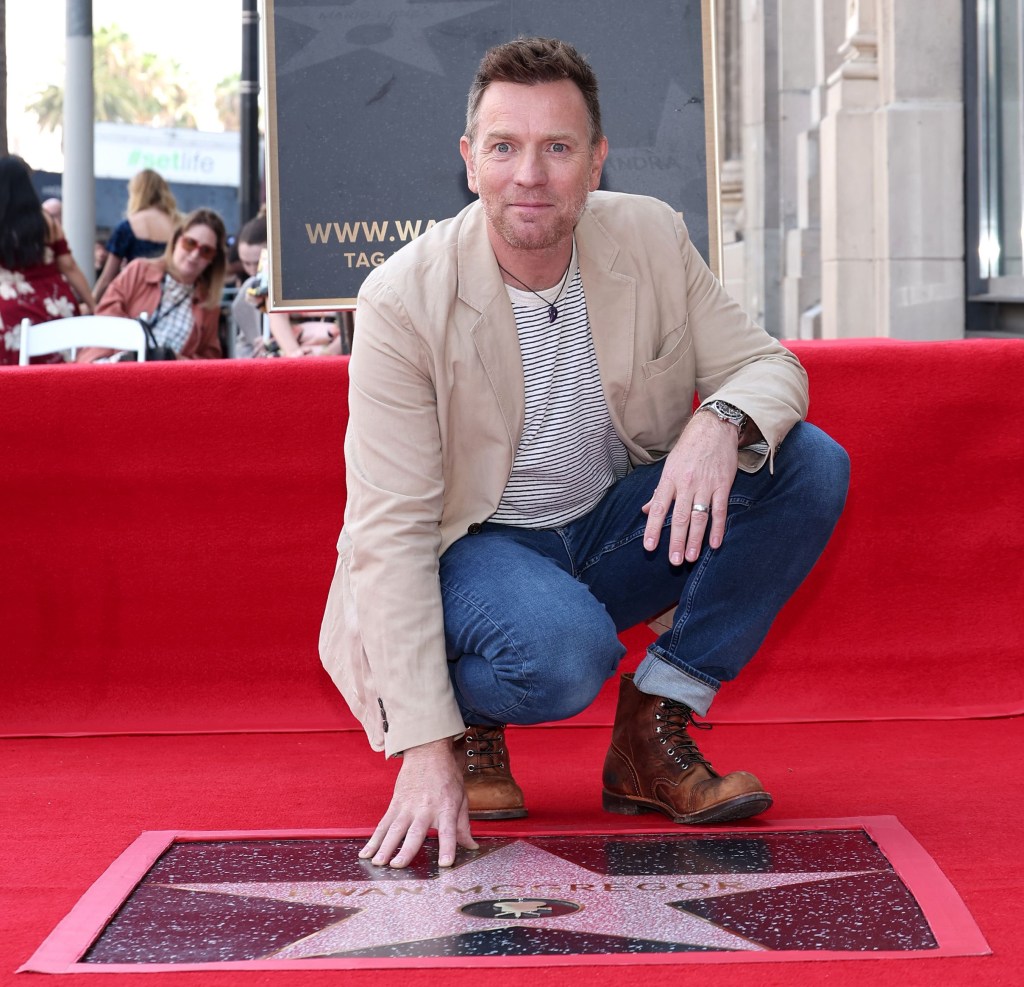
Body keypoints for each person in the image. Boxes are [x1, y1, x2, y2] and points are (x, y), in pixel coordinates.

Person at [319, 37, 850, 870]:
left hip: (603, 527)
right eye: (504, 146)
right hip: (468, 550)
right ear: (469, 161)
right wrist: (423, 744)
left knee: (806, 464)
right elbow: (389, 533)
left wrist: (718, 420)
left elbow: (768, 366)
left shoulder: (649, 237)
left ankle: (654, 723)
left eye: (557, 147)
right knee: (564, 655)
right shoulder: (400, 301)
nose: (529, 173)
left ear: (596, 162)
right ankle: (468, 723)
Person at [77, 207, 227, 362]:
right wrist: (134, 353)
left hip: (168, 380)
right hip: (114, 366)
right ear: (176, 240)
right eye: (190, 243)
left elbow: (209, 360)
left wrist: (175, 359)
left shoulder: (209, 304)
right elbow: (106, 318)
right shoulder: (139, 270)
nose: (195, 254)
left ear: (213, 260)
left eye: (206, 251)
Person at [0, 156, 96, 365]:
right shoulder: (47, 222)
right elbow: (69, 266)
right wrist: (93, 304)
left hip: (8, 311)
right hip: (54, 306)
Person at [93, 169, 178, 302]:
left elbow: (107, 278)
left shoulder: (127, 226)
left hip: (136, 297)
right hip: (171, 297)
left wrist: (91, 303)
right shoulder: (178, 225)